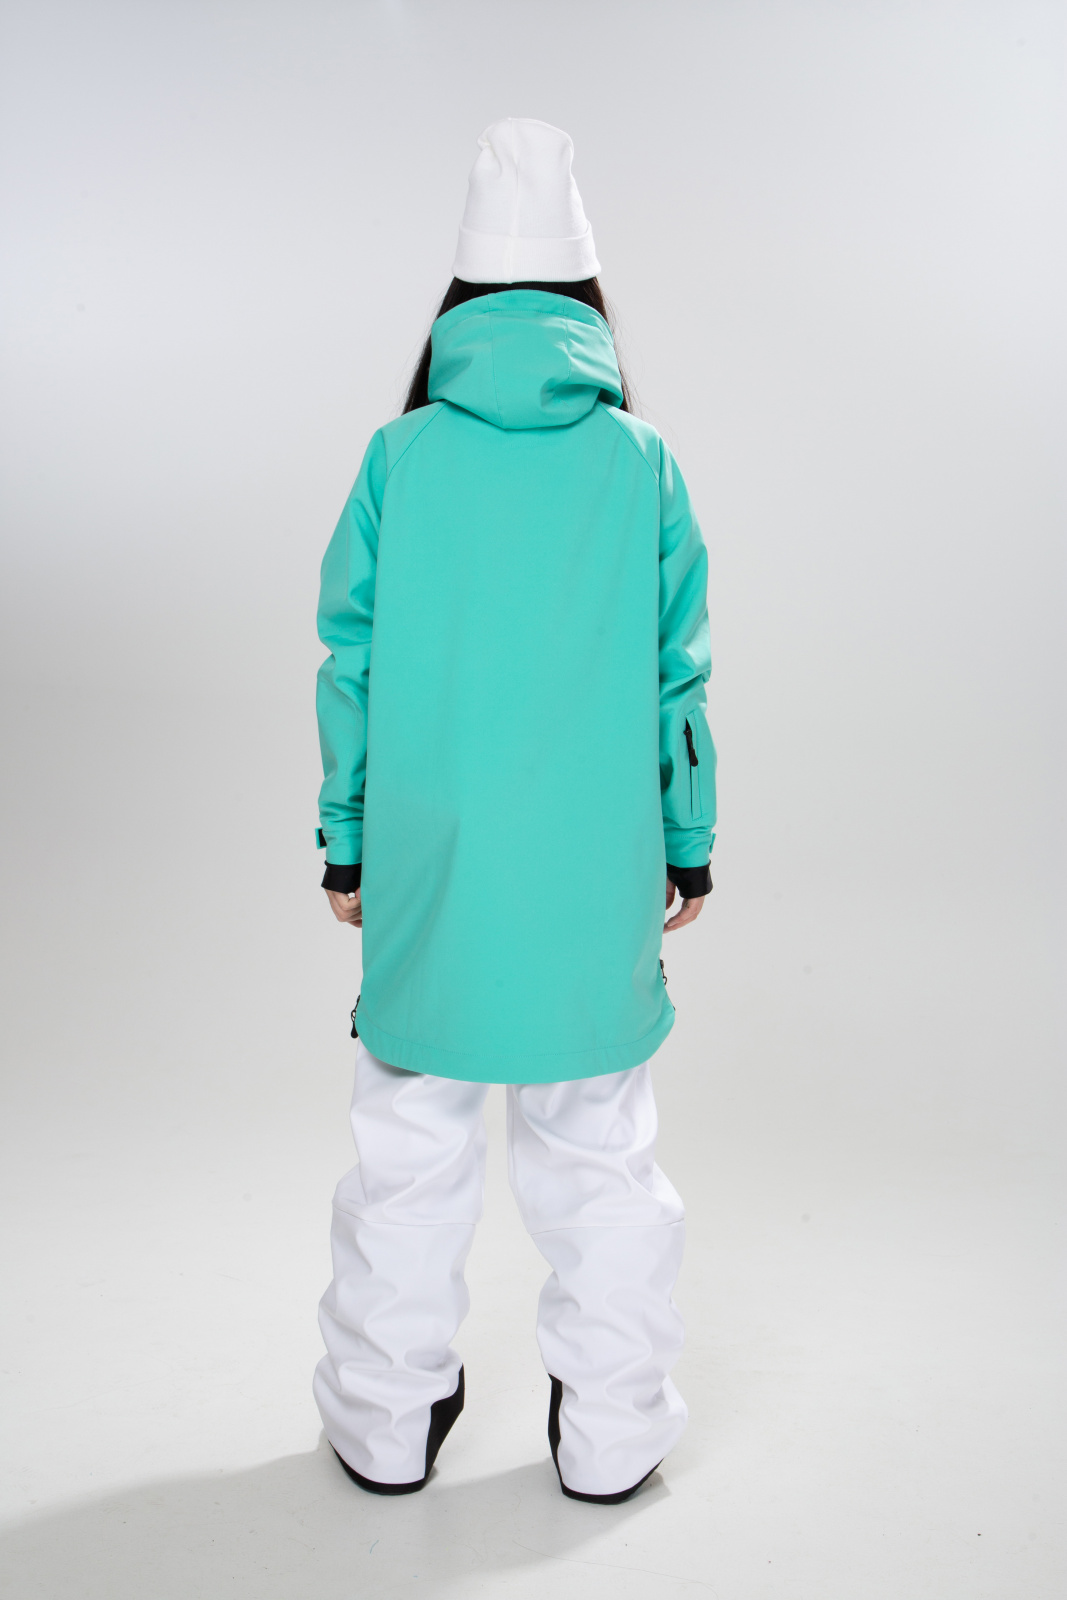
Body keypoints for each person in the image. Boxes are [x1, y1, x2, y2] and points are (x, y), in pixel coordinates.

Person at [312, 117, 716, 1504]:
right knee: (600, 1156)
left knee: (406, 1153)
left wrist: (348, 840)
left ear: (459, 301)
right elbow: (676, 680)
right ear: (586, 300)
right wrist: (688, 842)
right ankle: (611, 1433)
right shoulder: (642, 463)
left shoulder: (398, 457)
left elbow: (351, 664)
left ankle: (383, 1422)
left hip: (430, 872)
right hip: (593, 877)